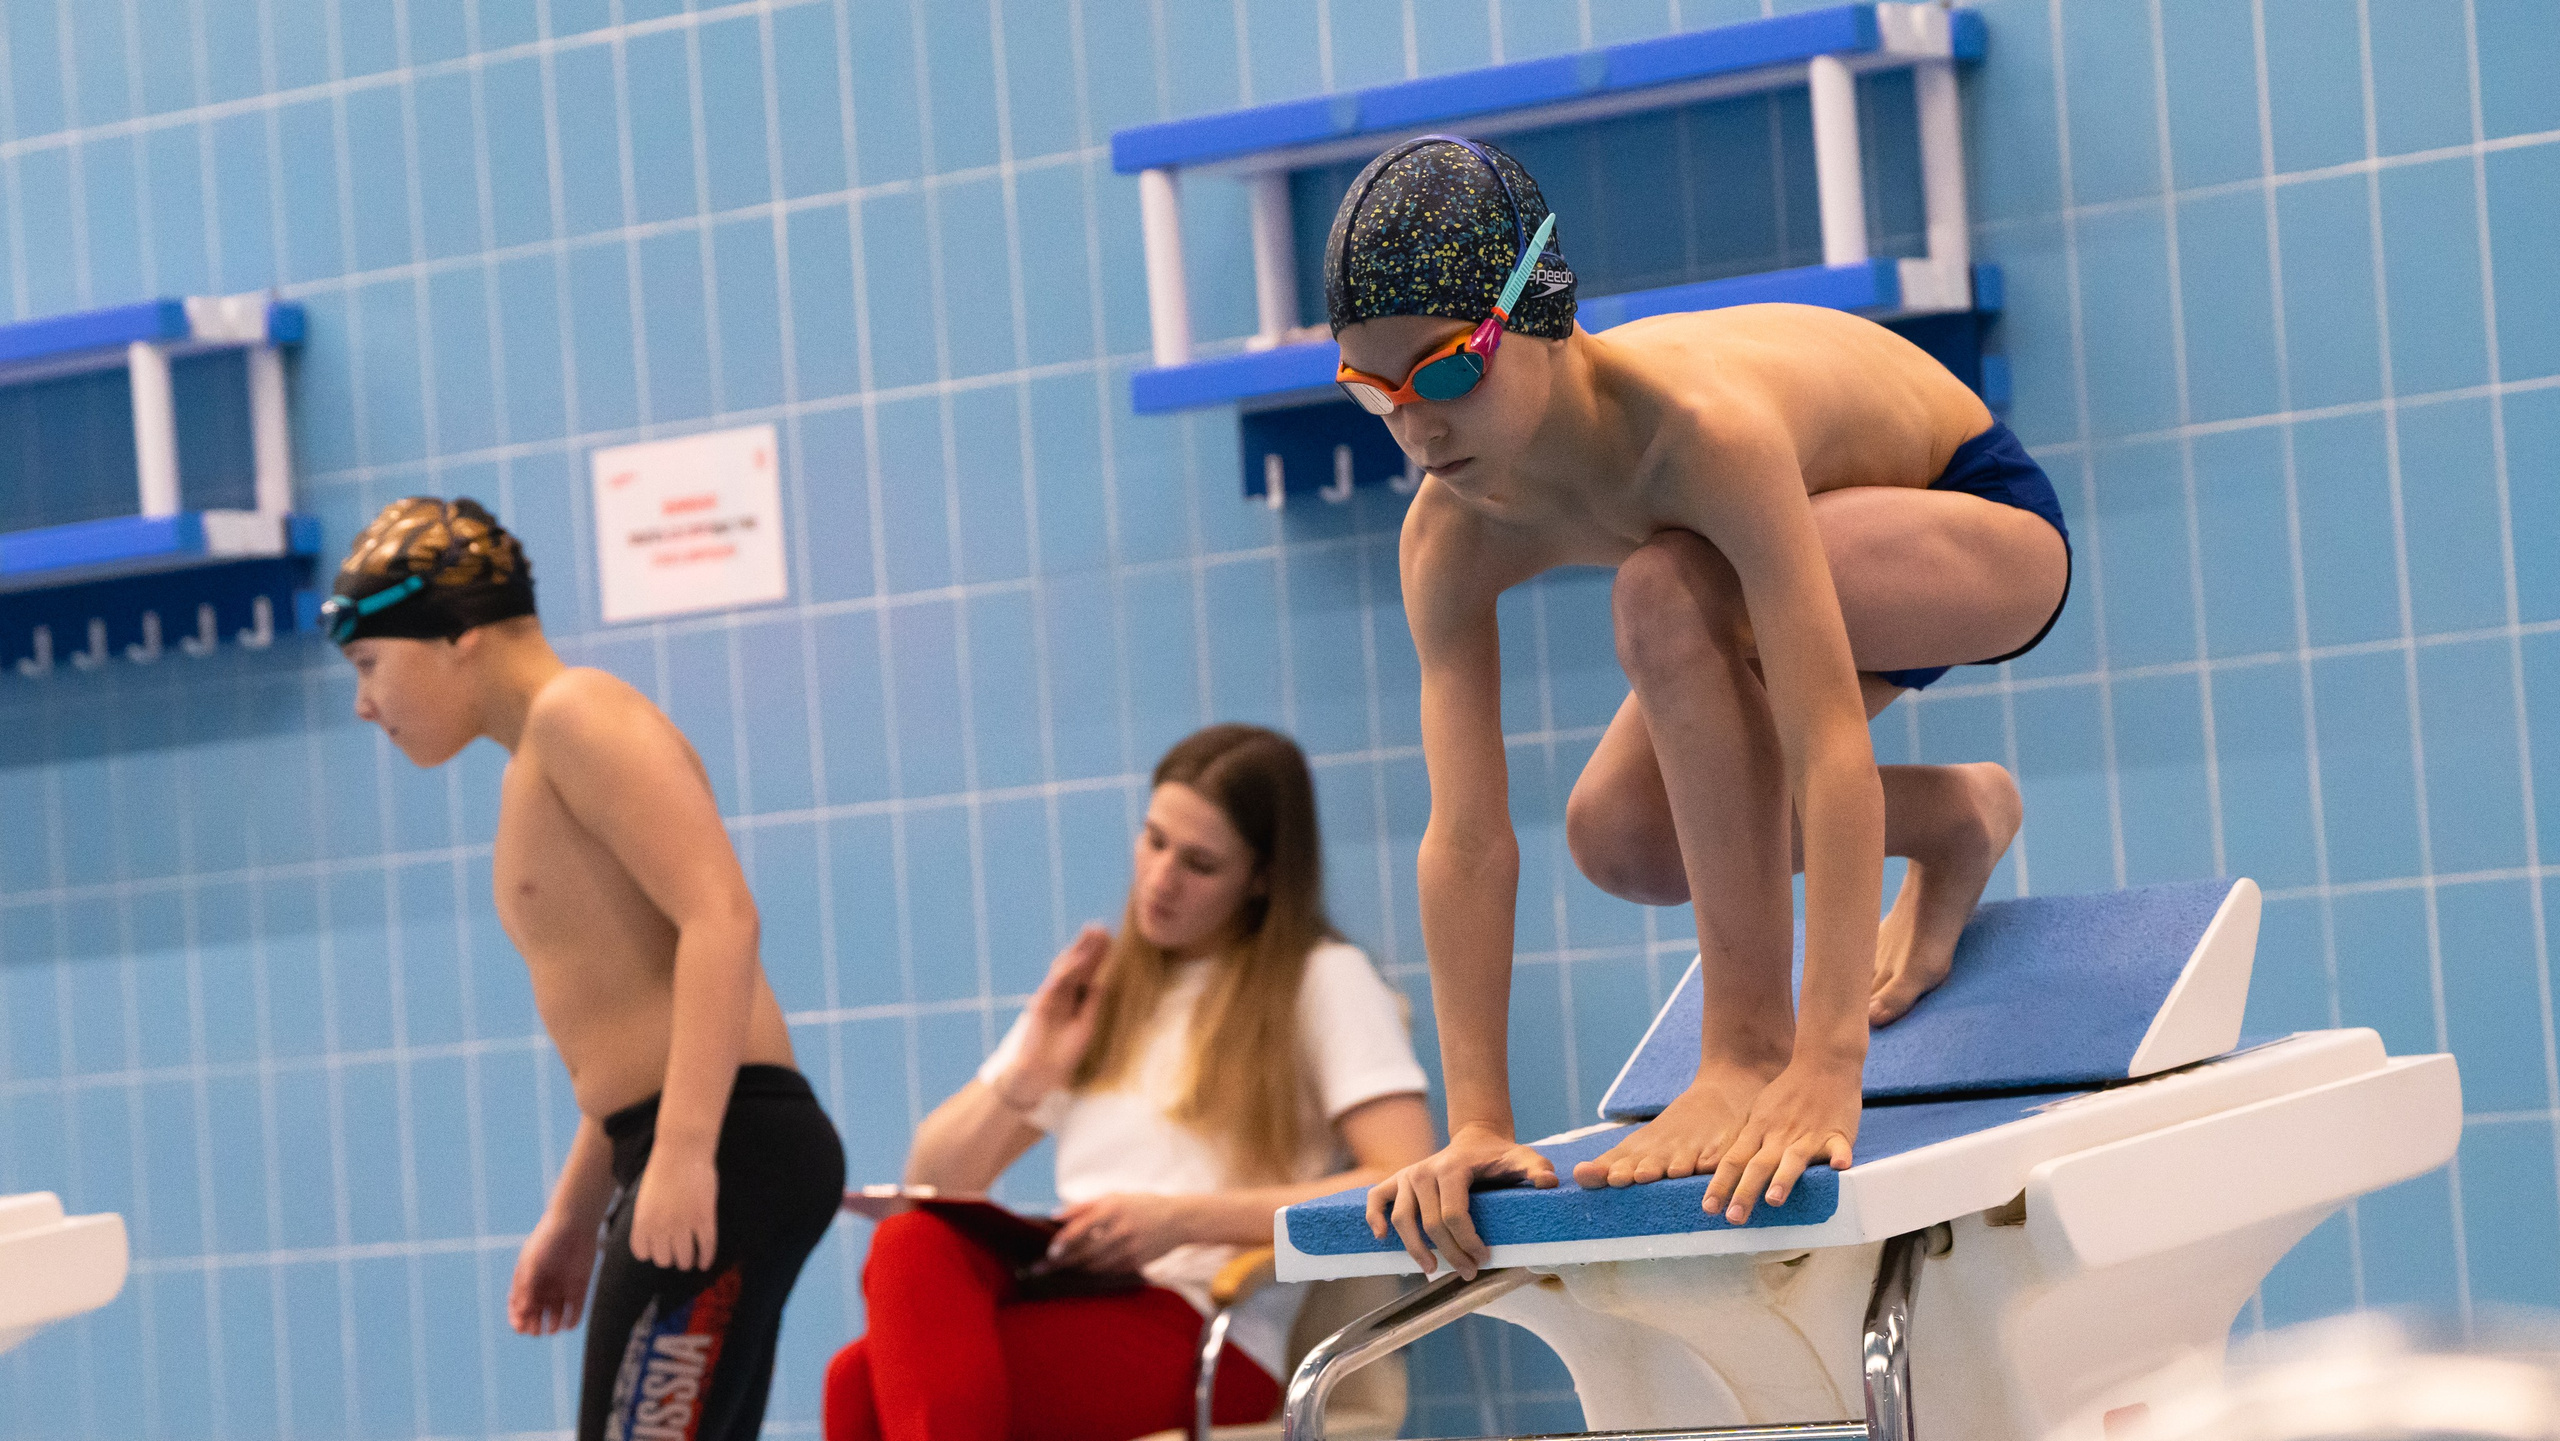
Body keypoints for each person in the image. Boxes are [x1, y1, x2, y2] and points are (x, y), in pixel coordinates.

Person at [1335, 137, 2068, 1274]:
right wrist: (1477, 1120)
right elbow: (1467, 836)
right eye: (1374, 392)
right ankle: (1951, 816)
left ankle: (1740, 1041)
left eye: (1444, 372)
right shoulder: (1447, 529)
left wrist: (1820, 1062)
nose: (1418, 430)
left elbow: (1822, 741)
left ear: (1541, 312)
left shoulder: (1696, 429)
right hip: (1796, 545)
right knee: (1622, 839)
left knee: (1664, 591)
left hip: (1973, 523)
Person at [325, 497, 845, 1441]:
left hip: (730, 1143)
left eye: (368, 664)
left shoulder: (579, 713)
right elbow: (635, 1028)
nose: (364, 703)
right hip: (693, 1140)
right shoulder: (541, 759)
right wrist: (576, 1211)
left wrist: (687, 1151)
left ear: (457, 635)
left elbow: (721, 915)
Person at [823, 724, 1435, 1441]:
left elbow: (1402, 1177)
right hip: (1071, 1295)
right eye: (1154, 840)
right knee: (908, 1246)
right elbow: (928, 1180)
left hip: (1202, 1325)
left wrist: (1175, 1218)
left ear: (1263, 877)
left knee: (857, 1384)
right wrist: (1028, 1071)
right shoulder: (1105, 988)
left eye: (1200, 863)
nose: (1159, 879)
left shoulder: (1322, 979)